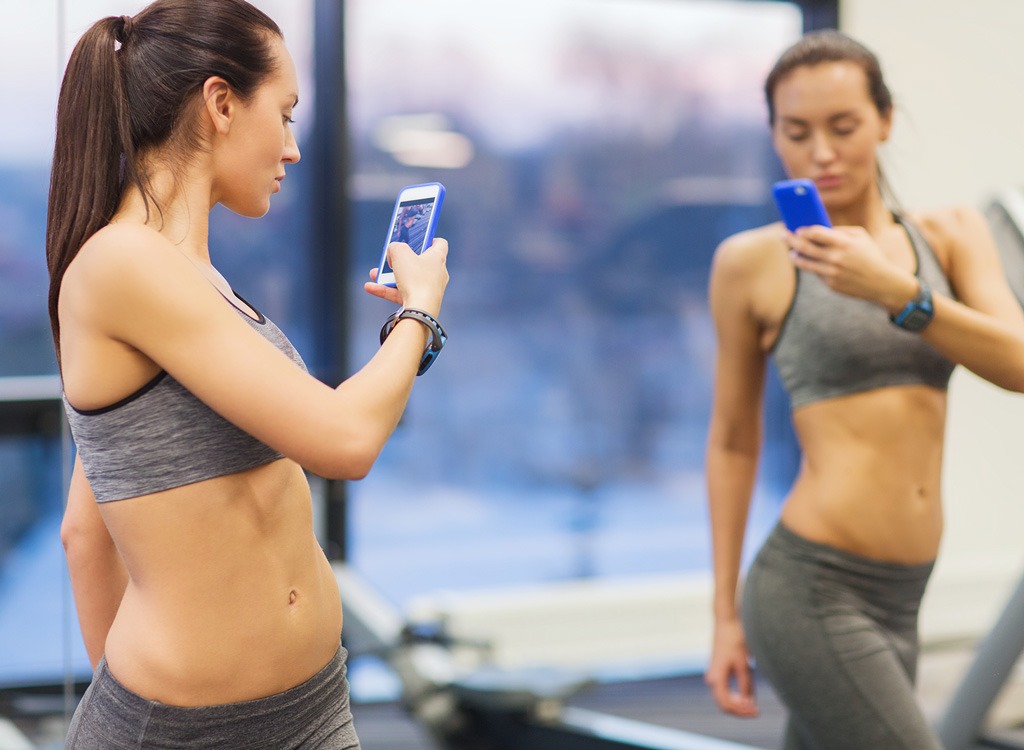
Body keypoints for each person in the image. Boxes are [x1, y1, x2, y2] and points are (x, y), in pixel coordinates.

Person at [48, 1, 448, 748]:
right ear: (221, 103)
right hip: (192, 730)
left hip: (312, 707)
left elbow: (84, 526)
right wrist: (418, 313)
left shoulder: (189, 278)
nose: (293, 149)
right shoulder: (122, 264)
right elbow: (345, 440)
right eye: (287, 113)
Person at [703, 29, 1024, 749]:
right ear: (774, 137)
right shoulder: (750, 264)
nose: (822, 153)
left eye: (843, 126)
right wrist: (724, 616)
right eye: (797, 132)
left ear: (883, 119)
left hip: (904, 592)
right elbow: (731, 441)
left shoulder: (948, 236)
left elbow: (1018, 365)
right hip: (811, 588)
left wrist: (899, 293)